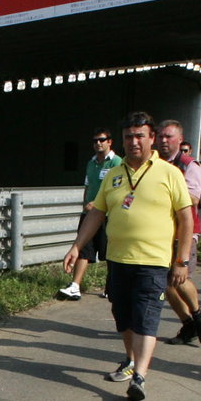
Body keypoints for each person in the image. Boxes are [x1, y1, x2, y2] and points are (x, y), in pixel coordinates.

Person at [62, 112, 194, 401]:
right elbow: (97, 213)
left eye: (139, 136)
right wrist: (77, 245)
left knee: (146, 318)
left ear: (151, 138)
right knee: (123, 317)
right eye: (128, 137)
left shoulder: (169, 173)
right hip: (119, 259)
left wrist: (181, 260)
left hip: (153, 261)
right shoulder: (114, 173)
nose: (133, 142)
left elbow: (186, 219)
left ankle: (140, 377)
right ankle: (132, 360)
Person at [157, 118, 201, 347]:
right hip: (162, 232)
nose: (163, 141)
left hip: (185, 232)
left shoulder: (190, 166)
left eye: (168, 136)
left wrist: (164, 191)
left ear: (180, 140)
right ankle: (188, 323)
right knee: (165, 284)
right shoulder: (155, 164)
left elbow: (192, 199)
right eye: (160, 136)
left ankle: (199, 316)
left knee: (180, 279)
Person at [62, 128, 121, 300]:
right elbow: (87, 185)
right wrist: (85, 203)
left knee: (109, 252)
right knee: (83, 248)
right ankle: (75, 286)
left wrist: (98, 203)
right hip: (89, 213)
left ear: (109, 141)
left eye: (102, 140)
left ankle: (111, 286)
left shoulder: (117, 163)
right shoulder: (91, 163)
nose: (98, 143)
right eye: (95, 141)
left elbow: (117, 190)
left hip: (107, 214)